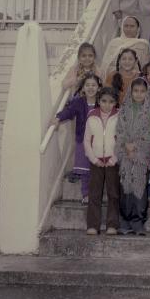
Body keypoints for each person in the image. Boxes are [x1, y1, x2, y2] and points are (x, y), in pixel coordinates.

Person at [53, 74, 101, 204]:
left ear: (98, 87)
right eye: (87, 85)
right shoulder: (79, 102)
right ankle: (86, 194)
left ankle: (96, 194)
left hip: (98, 142)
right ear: (83, 88)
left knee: (96, 169)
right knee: (85, 169)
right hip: (83, 140)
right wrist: (58, 118)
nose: (91, 88)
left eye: (93, 85)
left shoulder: (102, 102)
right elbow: (68, 111)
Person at [115, 78, 150, 235]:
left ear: (147, 93)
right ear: (131, 92)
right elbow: (120, 130)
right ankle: (125, 221)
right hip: (125, 154)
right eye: (135, 91)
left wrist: (136, 147)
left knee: (139, 187)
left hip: (141, 156)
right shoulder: (124, 110)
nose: (139, 94)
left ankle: (138, 221)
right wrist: (126, 146)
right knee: (125, 187)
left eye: (142, 91)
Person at [84, 87, 120, 235]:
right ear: (99, 101)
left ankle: (112, 225)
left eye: (111, 102)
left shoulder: (119, 116)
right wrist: (93, 159)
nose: (107, 104)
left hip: (113, 161)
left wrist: (114, 158)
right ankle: (93, 225)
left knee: (114, 194)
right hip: (96, 161)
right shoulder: (92, 116)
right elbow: (86, 141)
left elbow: (122, 140)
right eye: (104, 101)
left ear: (115, 103)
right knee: (94, 194)